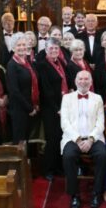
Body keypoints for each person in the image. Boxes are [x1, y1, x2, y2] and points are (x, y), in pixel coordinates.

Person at [61, 70, 106, 208]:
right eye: (80, 79)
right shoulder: (67, 98)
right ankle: (74, 194)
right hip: (72, 138)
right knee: (68, 156)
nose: (83, 81)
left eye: (86, 79)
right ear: (76, 81)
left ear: (91, 82)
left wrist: (91, 139)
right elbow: (64, 123)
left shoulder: (98, 98)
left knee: (102, 156)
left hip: (94, 137)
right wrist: (77, 139)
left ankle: (96, 193)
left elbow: (101, 123)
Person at [37, 38, 69, 180]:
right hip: (51, 108)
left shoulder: (61, 62)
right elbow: (46, 90)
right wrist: (57, 108)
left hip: (63, 106)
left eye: (56, 48)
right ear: (45, 49)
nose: (54, 51)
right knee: (52, 139)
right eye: (51, 49)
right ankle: (48, 170)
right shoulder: (42, 65)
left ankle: (58, 167)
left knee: (61, 137)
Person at [7, 33, 40, 144]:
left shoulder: (27, 62)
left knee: (26, 141)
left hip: (30, 108)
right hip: (19, 110)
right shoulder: (12, 65)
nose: (21, 47)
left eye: (23, 44)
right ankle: (21, 162)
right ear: (13, 47)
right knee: (20, 143)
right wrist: (29, 109)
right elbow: (14, 91)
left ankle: (27, 161)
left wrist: (34, 105)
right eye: (18, 45)